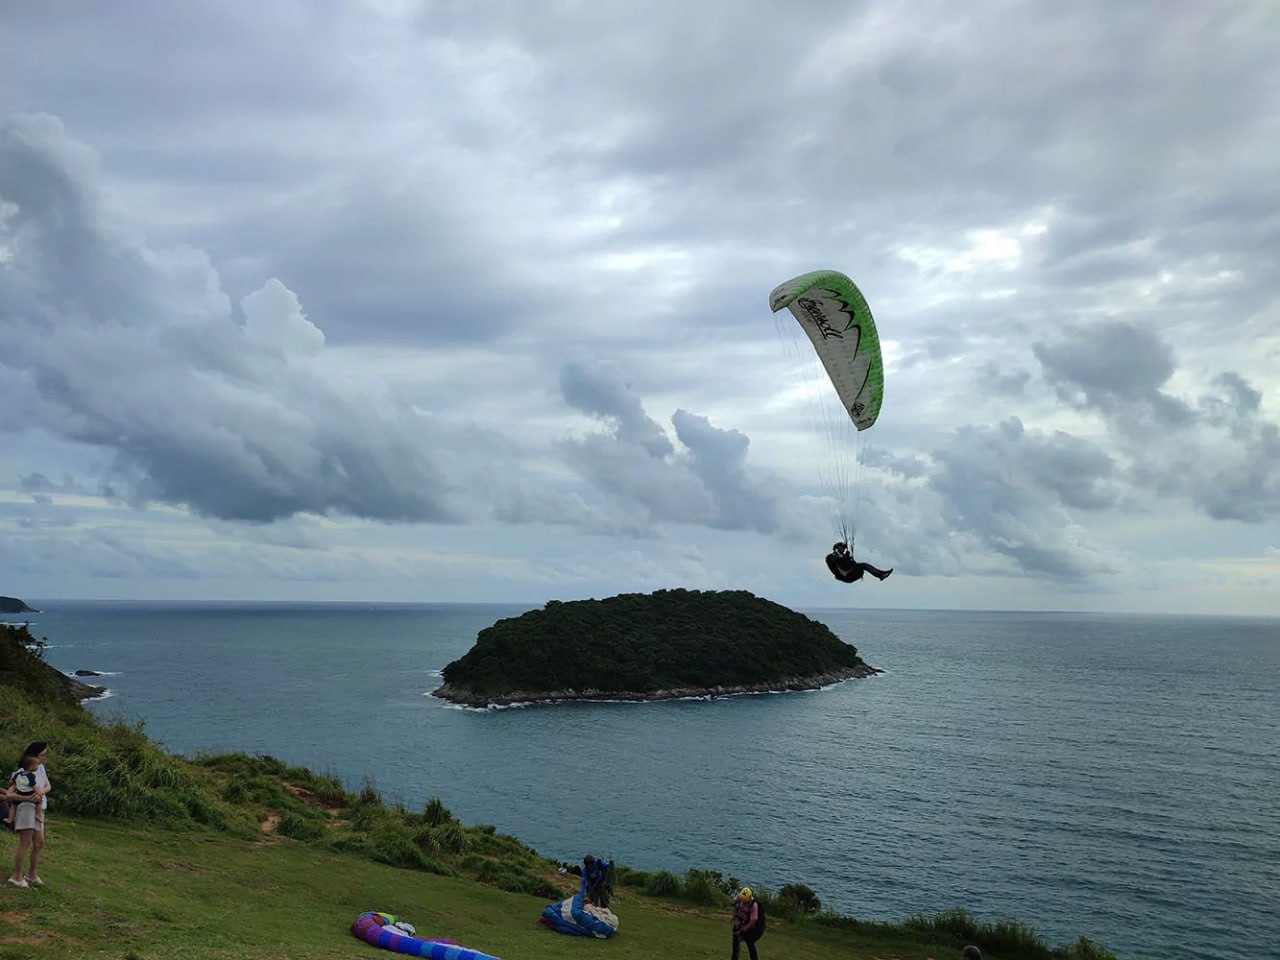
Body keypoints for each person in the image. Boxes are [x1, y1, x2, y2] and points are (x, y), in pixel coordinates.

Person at [6, 751, 47, 888]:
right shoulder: (20, 774)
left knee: (38, 842)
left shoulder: (39, 771)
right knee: (25, 842)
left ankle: (31, 874)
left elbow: (45, 787)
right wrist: (28, 798)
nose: (42, 759)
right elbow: (9, 795)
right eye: (41, 755)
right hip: (26, 808)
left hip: (36, 808)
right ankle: (16, 876)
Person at [825, 541, 892, 583]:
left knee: (863, 565)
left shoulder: (843, 556)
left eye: (844, 548)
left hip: (853, 574)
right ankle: (880, 575)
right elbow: (838, 562)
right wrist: (844, 557)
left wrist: (848, 558)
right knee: (863, 565)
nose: (843, 549)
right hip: (846, 577)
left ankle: (882, 573)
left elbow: (852, 565)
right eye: (842, 547)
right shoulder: (830, 557)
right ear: (836, 548)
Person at [731, 886, 765, 960]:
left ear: (749, 898)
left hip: (749, 927)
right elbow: (734, 900)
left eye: (745, 901)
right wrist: (734, 902)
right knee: (735, 943)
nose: (743, 903)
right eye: (742, 900)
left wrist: (743, 930)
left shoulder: (754, 906)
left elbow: (753, 921)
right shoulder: (741, 896)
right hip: (739, 923)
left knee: (750, 944)